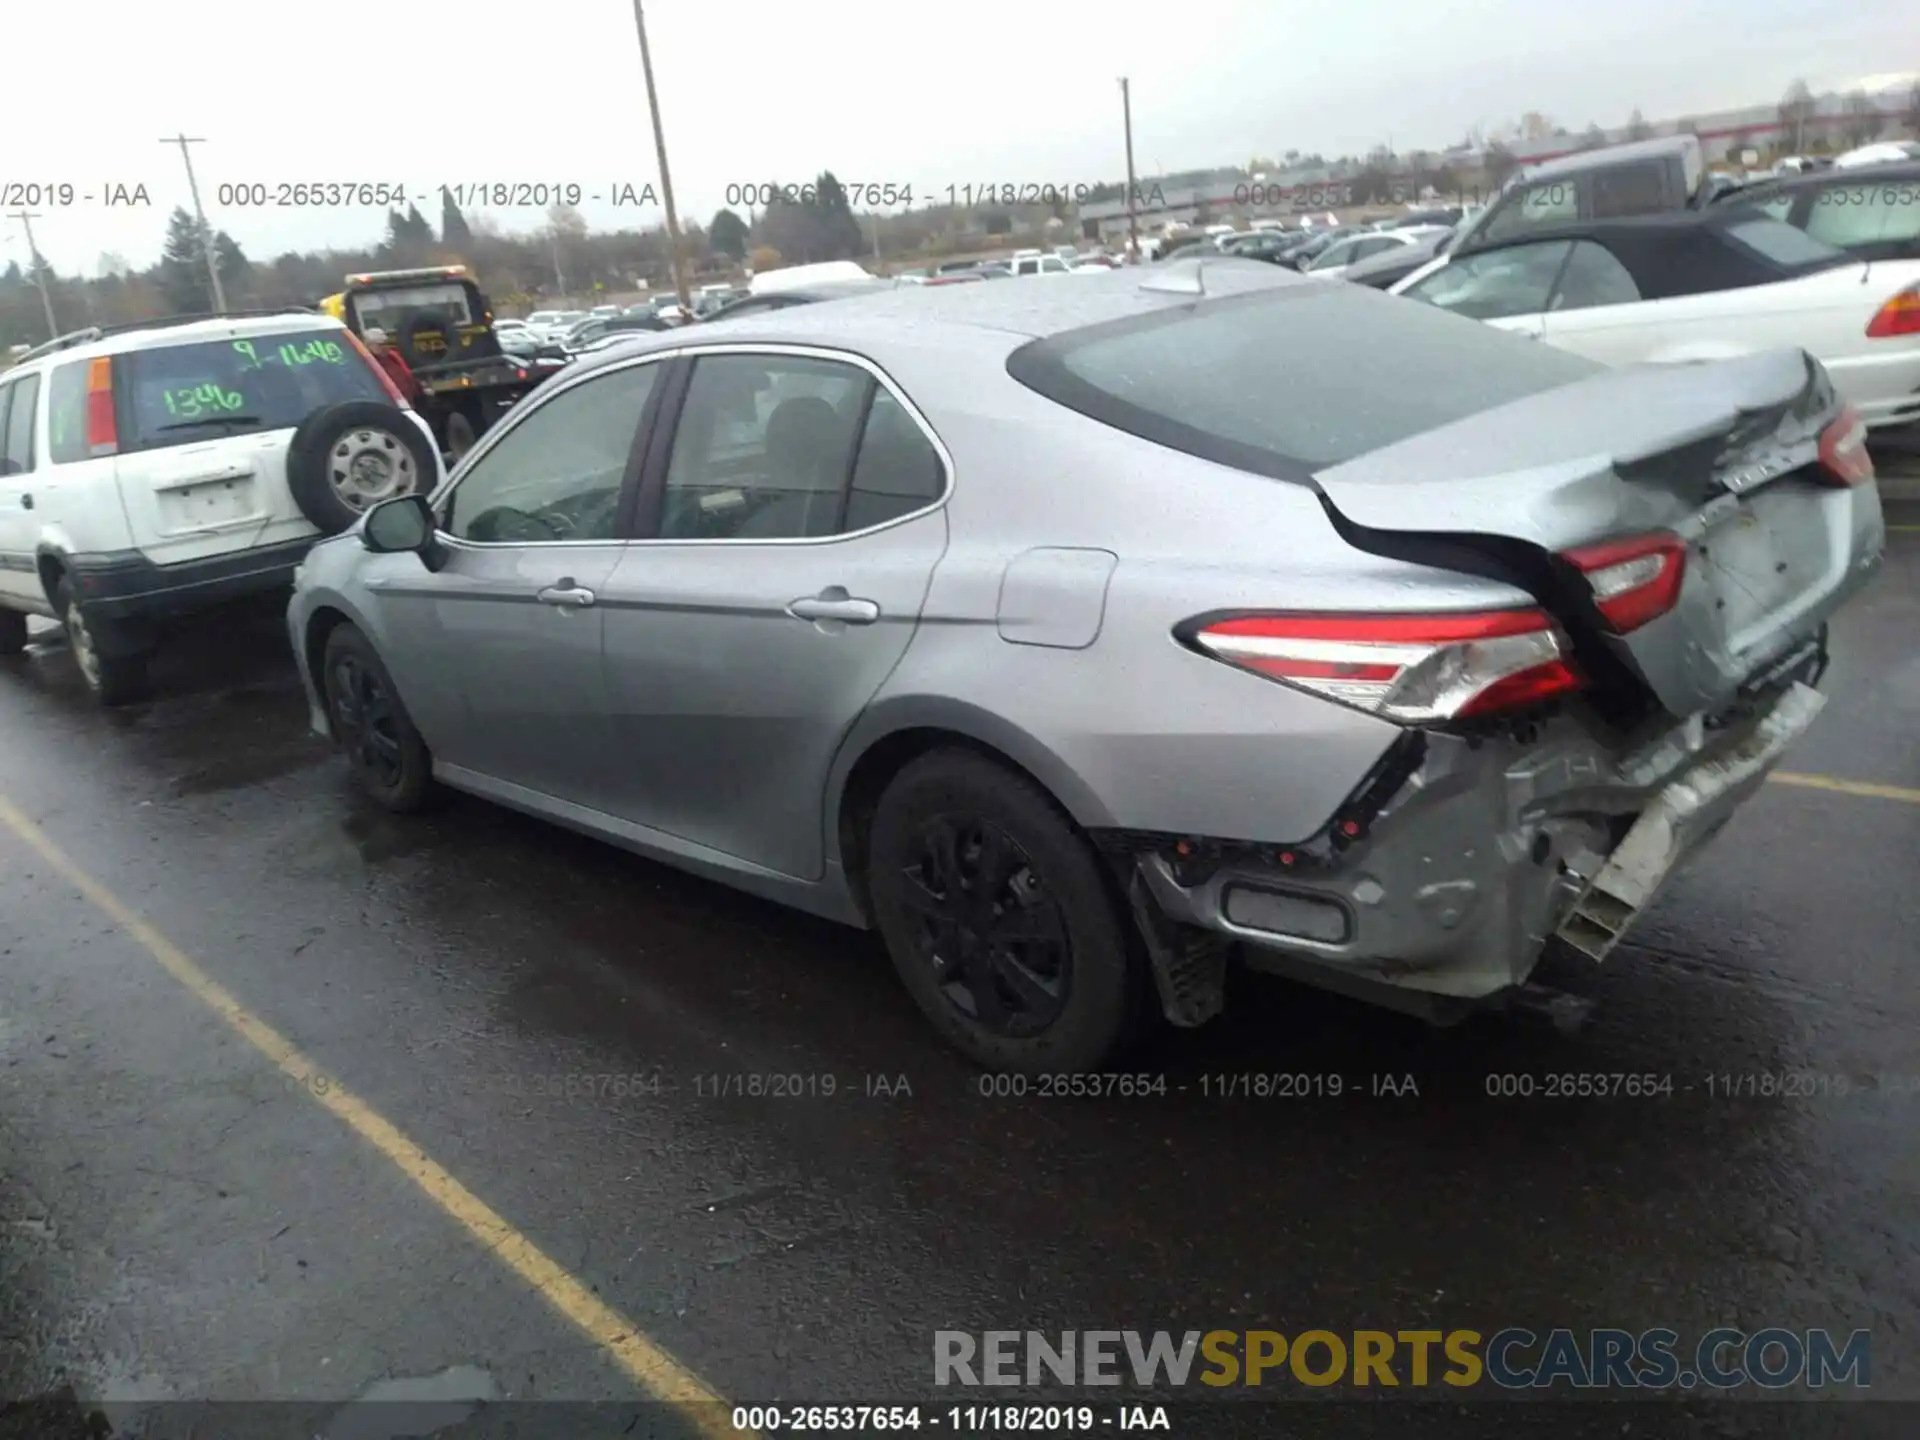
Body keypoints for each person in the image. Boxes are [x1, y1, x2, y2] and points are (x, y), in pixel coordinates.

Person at [361, 327, 423, 405]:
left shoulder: (393, 357)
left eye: (386, 343)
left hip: (408, 402)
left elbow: (406, 374)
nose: (384, 347)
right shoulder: (366, 364)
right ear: (368, 346)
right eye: (379, 345)